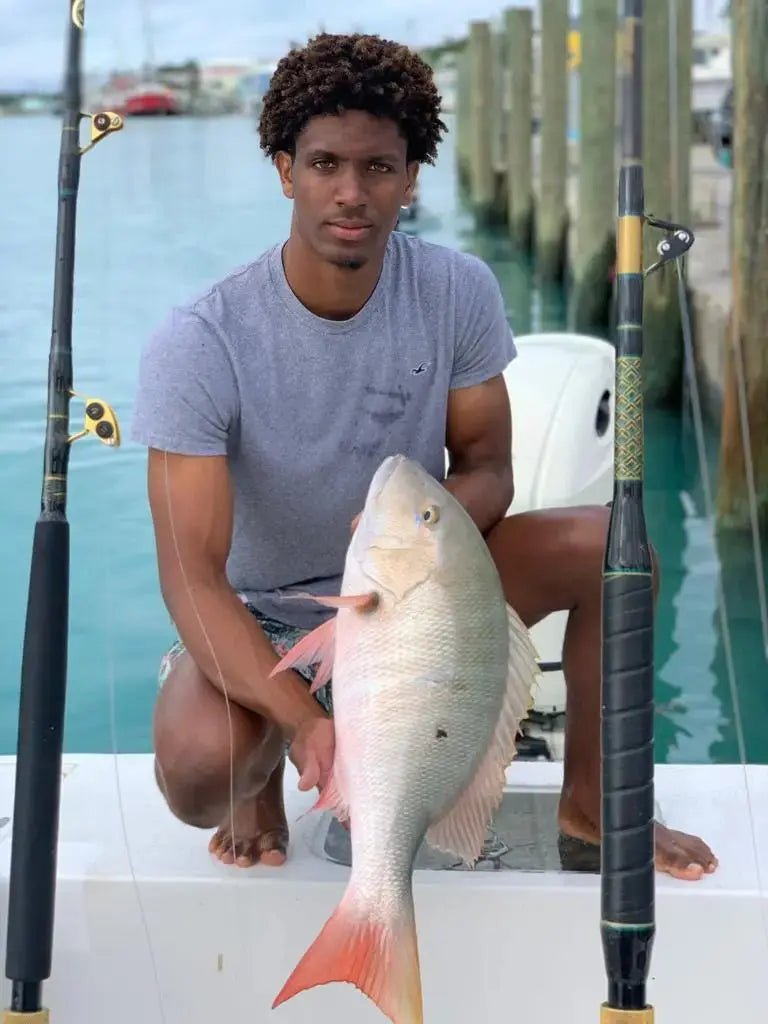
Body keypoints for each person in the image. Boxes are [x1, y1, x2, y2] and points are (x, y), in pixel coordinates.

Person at [131, 32, 717, 881]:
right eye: (325, 162)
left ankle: (596, 811)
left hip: (411, 591)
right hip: (268, 614)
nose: (350, 192)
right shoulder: (201, 340)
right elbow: (192, 575)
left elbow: (489, 468)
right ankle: (261, 768)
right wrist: (306, 722)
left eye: (378, 167)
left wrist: (410, 548)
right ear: (284, 169)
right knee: (197, 772)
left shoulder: (456, 289)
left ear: (411, 177)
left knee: (610, 549)